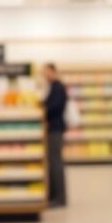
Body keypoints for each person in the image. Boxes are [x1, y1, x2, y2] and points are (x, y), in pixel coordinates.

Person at [42, 63, 68, 207]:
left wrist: (44, 109)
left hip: (55, 129)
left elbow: (56, 107)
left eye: (45, 72)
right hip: (52, 129)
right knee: (52, 163)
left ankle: (60, 198)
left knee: (56, 163)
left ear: (52, 71)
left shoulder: (58, 87)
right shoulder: (52, 87)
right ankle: (53, 195)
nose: (44, 75)